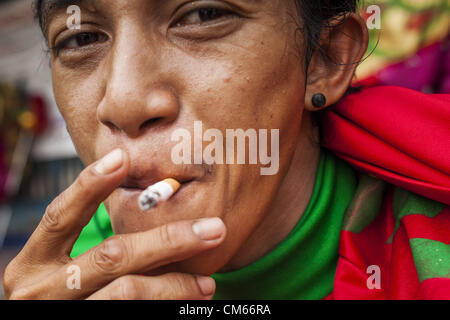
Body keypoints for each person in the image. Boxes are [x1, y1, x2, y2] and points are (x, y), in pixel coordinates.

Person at [3, 0, 449, 300]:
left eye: (201, 16)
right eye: (80, 39)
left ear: (325, 59)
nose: (123, 102)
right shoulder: (67, 279)